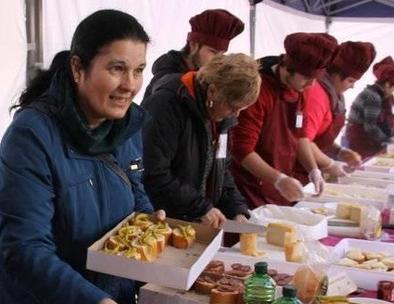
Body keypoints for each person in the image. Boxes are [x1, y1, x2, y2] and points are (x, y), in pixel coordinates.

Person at [0, 9, 160, 304]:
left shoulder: (125, 124)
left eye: (139, 70)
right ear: (78, 69)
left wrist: (149, 223)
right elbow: (24, 247)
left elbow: (134, 187)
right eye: (117, 68)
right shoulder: (32, 135)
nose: (130, 84)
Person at [142, 53, 259, 228]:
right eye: (233, 107)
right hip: (163, 220)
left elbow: (221, 170)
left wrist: (237, 209)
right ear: (212, 91)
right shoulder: (167, 104)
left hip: (193, 220)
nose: (236, 115)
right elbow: (154, 172)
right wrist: (200, 207)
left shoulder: (221, 118)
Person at [228, 32, 339, 208]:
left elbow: (300, 136)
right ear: (287, 68)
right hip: (250, 189)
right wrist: (278, 179)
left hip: (279, 188)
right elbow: (242, 150)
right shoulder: (258, 91)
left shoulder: (299, 90)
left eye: (315, 79)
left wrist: (313, 170)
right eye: (306, 78)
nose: (311, 85)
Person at [295, 41, 376, 184]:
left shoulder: (334, 94)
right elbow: (303, 140)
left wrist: (340, 151)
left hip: (311, 169)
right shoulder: (317, 95)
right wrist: (329, 164)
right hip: (298, 171)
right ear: (336, 74)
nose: (352, 87)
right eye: (350, 81)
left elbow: (320, 136)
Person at [144, 9, 244, 98]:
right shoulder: (166, 80)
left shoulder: (204, 77)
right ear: (193, 45)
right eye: (213, 52)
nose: (218, 59)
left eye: (222, 54)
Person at [344, 56, 394, 157]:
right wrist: (389, 140)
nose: (393, 92)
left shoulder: (381, 96)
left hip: (369, 140)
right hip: (361, 140)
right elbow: (370, 127)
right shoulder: (373, 97)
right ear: (387, 84)